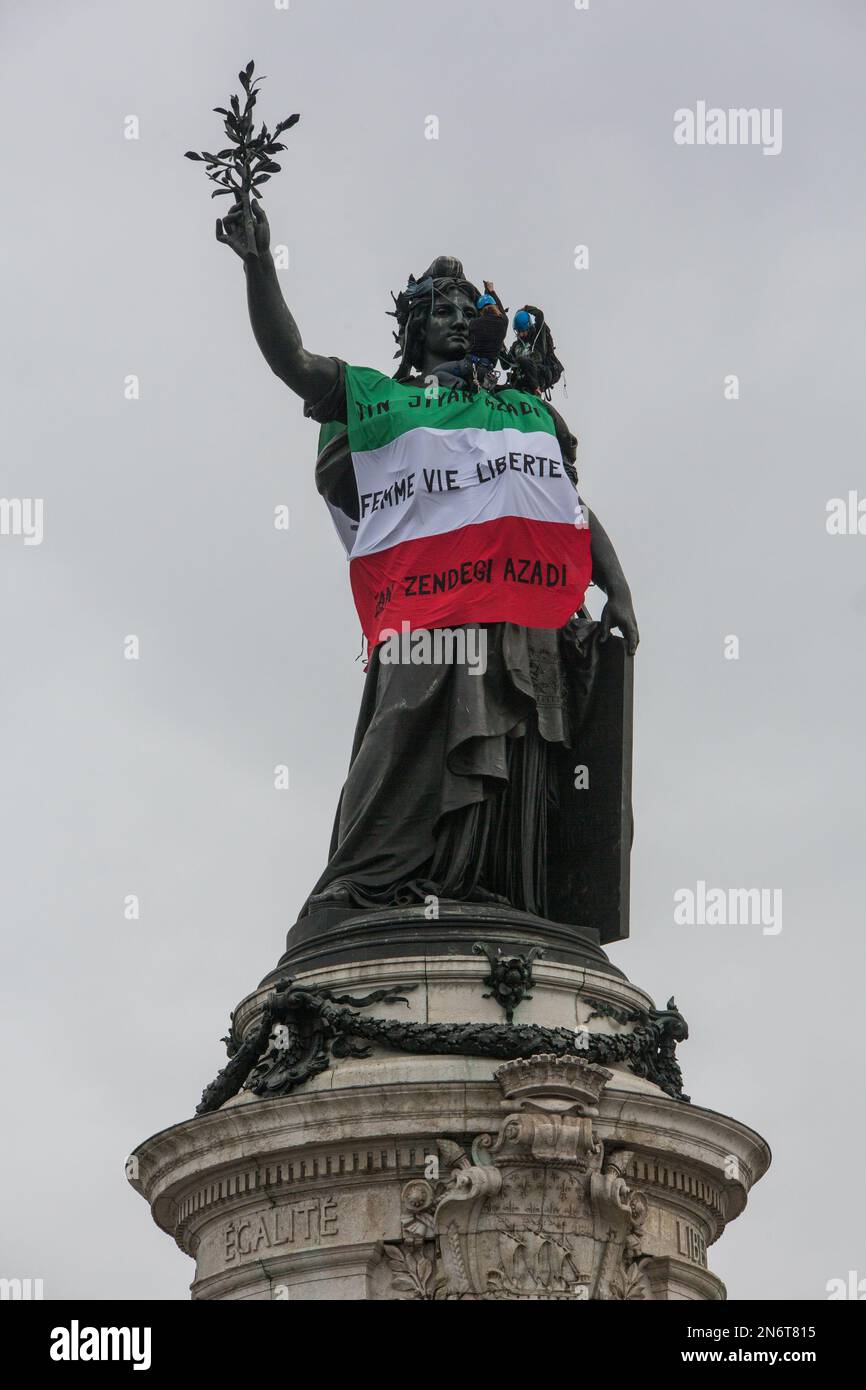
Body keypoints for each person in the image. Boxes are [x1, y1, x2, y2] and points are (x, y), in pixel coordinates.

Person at [216, 201, 639, 917]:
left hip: (518, 615)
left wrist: (617, 587)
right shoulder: (381, 401)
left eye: (466, 307)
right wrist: (259, 265)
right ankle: (365, 883)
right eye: (439, 307)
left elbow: (564, 507)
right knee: (402, 730)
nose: (455, 315)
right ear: (414, 327)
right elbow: (293, 360)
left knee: (518, 745)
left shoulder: (520, 412)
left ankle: (499, 893)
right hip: (426, 610)